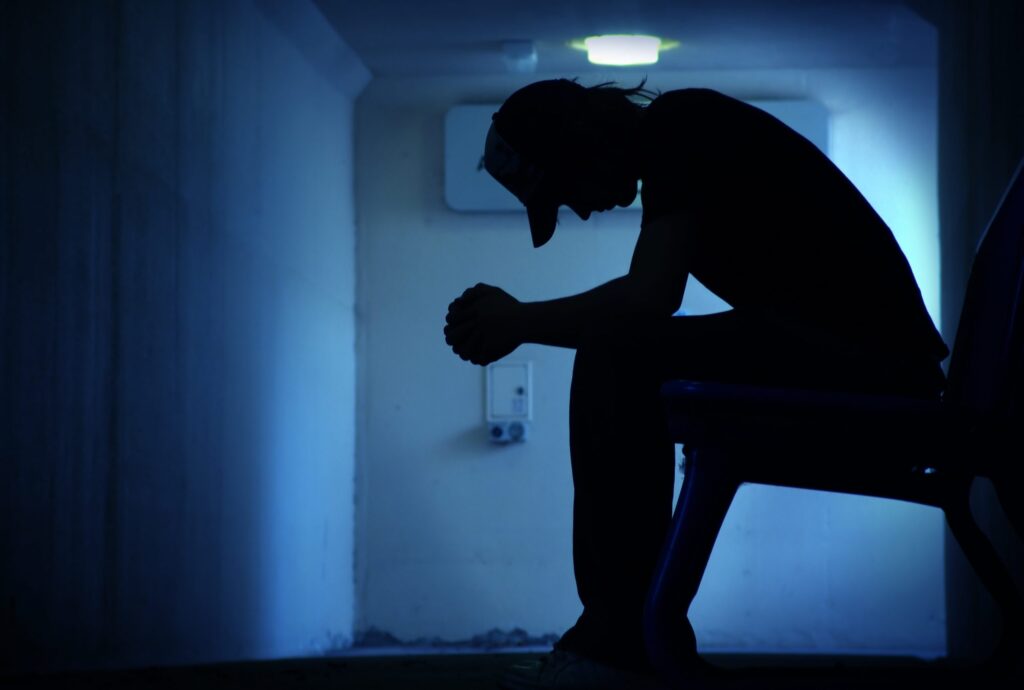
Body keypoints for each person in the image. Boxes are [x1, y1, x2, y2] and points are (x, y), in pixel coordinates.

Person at [443, 79, 948, 690]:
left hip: (880, 371)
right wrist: (519, 322)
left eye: (562, 190)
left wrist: (518, 321)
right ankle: (628, 638)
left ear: (580, 145)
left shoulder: (680, 126)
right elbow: (652, 303)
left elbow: (648, 299)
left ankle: (618, 646)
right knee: (622, 349)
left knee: (617, 351)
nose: (576, 209)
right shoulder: (679, 134)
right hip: (869, 361)